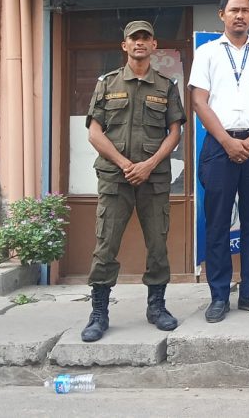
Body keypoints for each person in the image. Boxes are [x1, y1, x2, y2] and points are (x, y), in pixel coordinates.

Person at [82, 20, 185, 343]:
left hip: (154, 179)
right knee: (106, 244)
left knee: (157, 244)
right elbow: (94, 132)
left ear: (154, 46)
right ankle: (99, 312)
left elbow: (175, 132)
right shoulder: (107, 83)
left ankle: (157, 307)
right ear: (124, 45)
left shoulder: (166, 86)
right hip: (116, 178)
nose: (139, 43)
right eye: (133, 38)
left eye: (145, 38)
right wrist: (126, 164)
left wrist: (149, 164)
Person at [189, 0, 249, 323]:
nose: (240, 15)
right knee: (217, 220)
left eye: (245, 10)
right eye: (233, 10)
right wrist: (227, 141)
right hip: (219, 145)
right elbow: (199, 101)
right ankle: (219, 295)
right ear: (222, 15)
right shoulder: (207, 53)